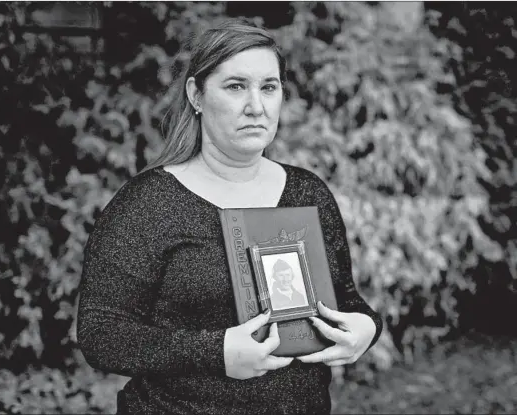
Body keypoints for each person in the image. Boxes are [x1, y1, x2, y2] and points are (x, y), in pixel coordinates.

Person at [77, 19, 383, 415]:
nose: (256, 106)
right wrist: (215, 351)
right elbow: (102, 335)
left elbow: (344, 298)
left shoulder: (307, 193)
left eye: (268, 88)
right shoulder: (147, 205)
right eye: (236, 86)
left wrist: (367, 327)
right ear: (196, 96)